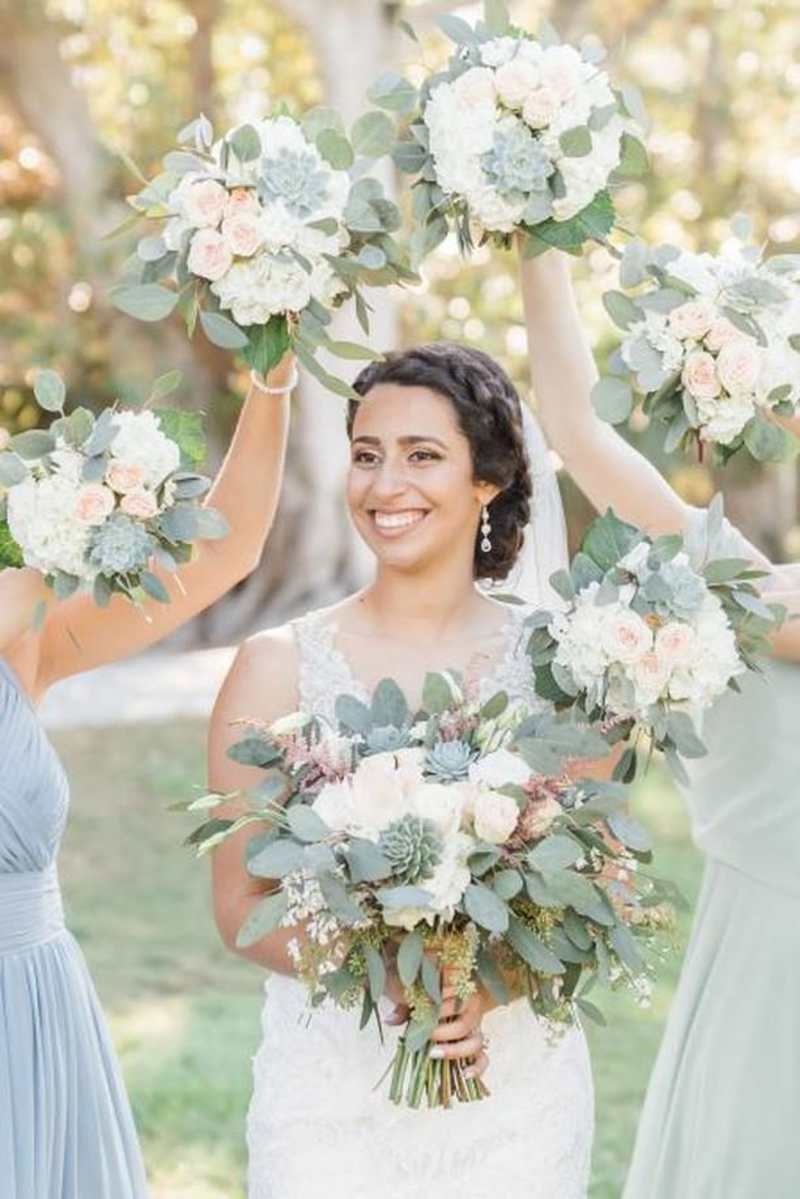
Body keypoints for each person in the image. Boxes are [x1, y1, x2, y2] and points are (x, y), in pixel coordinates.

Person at [210, 343, 597, 1199]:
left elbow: (595, 878)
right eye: (366, 455)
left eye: (424, 455)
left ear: (487, 480)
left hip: (513, 1095)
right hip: (332, 1096)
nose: (387, 486)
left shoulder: (555, 665)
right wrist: (392, 971)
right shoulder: (276, 665)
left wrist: (487, 985)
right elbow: (239, 907)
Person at [519, 248, 800, 1198]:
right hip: (768, 984)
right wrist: (540, 245)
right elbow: (579, 433)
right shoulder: (733, 585)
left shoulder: (747, 595)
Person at [0, 355, 295, 1199]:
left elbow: (226, 546)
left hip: (31, 1016)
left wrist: (273, 374)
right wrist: (66, 512)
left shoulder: (25, 646)